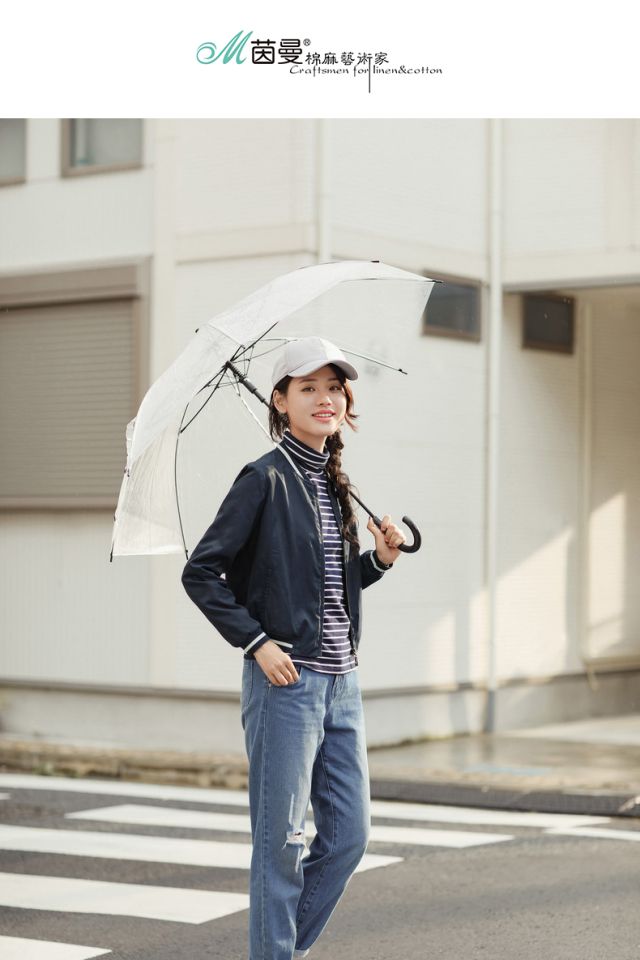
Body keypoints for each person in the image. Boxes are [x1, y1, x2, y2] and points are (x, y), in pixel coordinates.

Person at [181, 336, 406, 960]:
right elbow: (201, 573)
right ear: (280, 401)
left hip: (342, 681)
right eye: (308, 388)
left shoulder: (333, 481)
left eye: (334, 388)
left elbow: (320, 587)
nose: (325, 398)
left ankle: (279, 951)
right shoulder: (263, 478)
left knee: (349, 837)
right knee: (280, 843)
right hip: (287, 682)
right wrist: (256, 643)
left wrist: (379, 561)